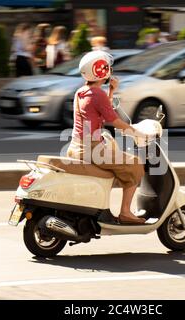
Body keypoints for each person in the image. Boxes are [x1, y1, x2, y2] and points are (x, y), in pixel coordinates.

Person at [66, 51, 148, 224]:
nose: (108, 68)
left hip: (75, 148)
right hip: (92, 149)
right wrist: (136, 133)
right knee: (135, 164)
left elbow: (101, 113)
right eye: (105, 66)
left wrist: (111, 91)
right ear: (99, 70)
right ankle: (125, 212)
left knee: (114, 152)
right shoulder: (98, 95)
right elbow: (114, 121)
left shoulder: (81, 92)